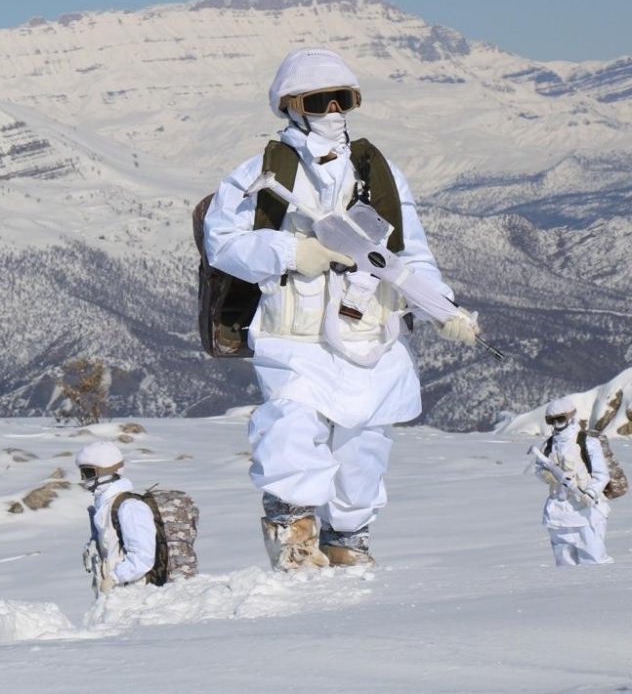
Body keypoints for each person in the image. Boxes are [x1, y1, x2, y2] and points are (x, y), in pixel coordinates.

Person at [203, 47, 478, 571]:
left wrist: (445, 308)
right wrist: (292, 252)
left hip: (371, 330)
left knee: (365, 446)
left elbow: (410, 251)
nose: (332, 110)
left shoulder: (380, 172)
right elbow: (223, 243)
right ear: (290, 105)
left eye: (343, 98)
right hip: (295, 332)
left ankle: (349, 539)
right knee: (291, 426)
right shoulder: (261, 172)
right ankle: (293, 535)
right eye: (318, 99)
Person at [531, 397, 613, 566]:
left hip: (586, 512)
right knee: (565, 565)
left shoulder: (587, 442)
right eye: (551, 421)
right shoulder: (548, 446)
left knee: (594, 561)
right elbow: (539, 470)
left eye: (560, 419)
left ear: (570, 417)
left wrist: (591, 493)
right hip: (558, 513)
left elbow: (601, 474)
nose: (556, 425)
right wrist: (549, 475)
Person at [77, 441, 157, 595]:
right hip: (113, 594)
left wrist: (114, 578)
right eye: (82, 473)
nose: (84, 479)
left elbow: (143, 556)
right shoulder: (104, 506)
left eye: (88, 473)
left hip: (134, 595)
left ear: (106, 471)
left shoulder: (130, 506)